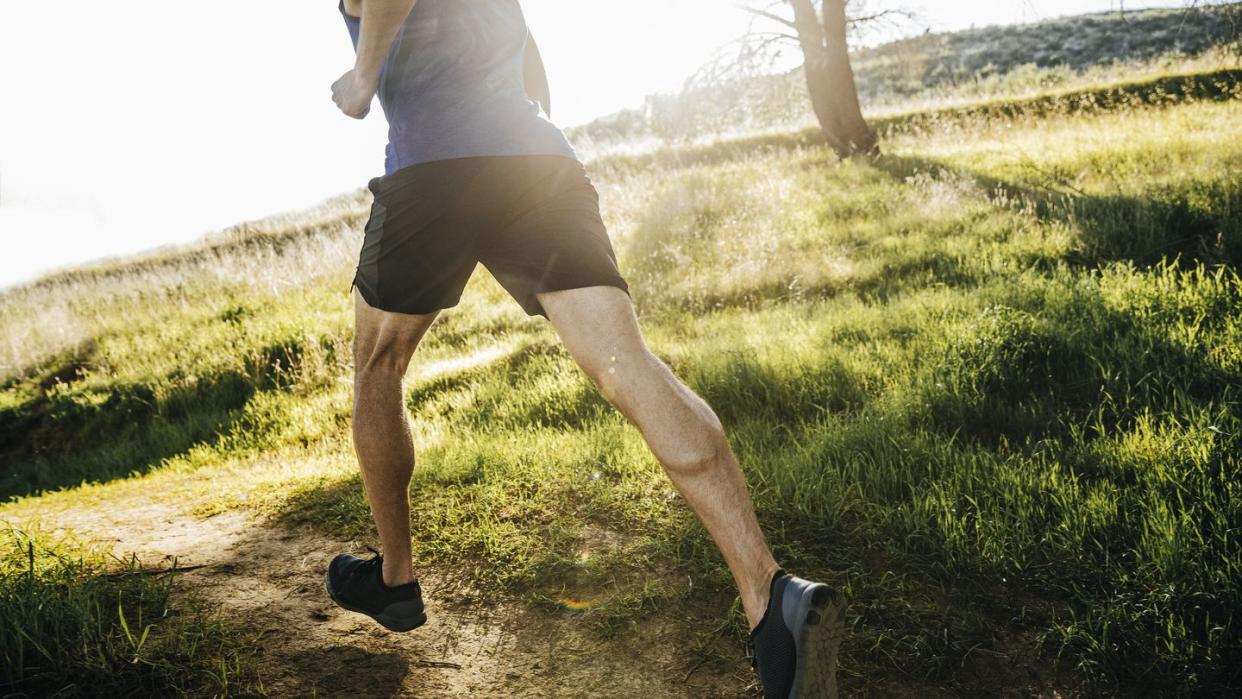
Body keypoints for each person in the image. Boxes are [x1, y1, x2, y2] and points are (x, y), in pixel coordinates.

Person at [324, 1, 845, 696]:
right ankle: (768, 592)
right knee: (627, 364)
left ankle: (394, 578)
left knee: (376, 364)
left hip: (434, 167)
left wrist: (363, 79)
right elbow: (529, 61)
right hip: (538, 164)